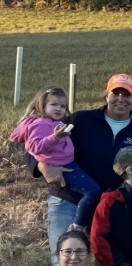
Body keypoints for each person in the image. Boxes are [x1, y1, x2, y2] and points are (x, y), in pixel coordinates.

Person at [29, 73, 132, 263]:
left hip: (113, 209)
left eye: (127, 95)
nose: (121, 99)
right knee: (66, 264)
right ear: (106, 95)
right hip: (69, 202)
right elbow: (36, 143)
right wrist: (40, 165)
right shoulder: (80, 120)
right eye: (116, 93)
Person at [10, 86, 101, 233]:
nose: (58, 109)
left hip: (69, 162)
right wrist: (55, 138)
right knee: (92, 191)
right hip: (62, 167)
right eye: (53, 105)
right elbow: (34, 147)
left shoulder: (55, 122)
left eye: (63, 106)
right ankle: (78, 225)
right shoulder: (39, 124)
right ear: (42, 105)